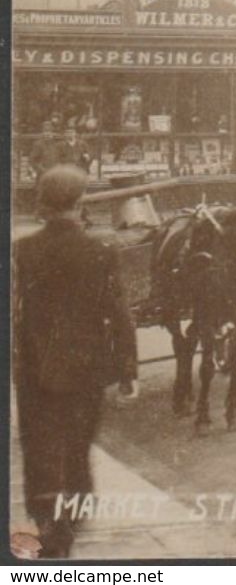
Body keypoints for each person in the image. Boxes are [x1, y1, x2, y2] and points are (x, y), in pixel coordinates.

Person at [12, 166, 139, 559]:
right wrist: (128, 369)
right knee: (78, 444)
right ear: (81, 202)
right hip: (87, 368)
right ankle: (73, 514)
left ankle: (49, 521)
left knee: (39, 443)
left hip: (36, 369)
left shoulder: (23, 250)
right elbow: (119, 314)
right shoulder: (102, 250)